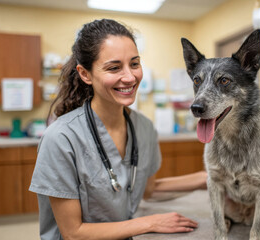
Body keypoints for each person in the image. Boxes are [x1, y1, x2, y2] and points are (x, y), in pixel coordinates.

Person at [29, 18, 207, 240]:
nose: (130, 77)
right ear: (85, 74)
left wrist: (207, 178)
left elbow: (148, 188)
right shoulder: (61, 138)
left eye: (134, 64)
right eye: (114, 68)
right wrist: (150, 222)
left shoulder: (144, 128)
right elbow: (73, 232)